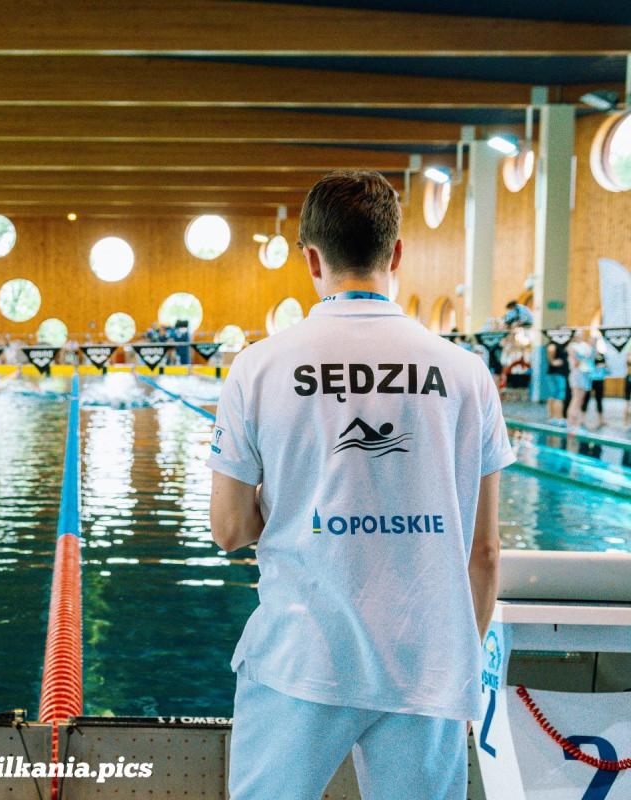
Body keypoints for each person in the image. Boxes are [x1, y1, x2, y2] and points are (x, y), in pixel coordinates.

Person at [207, 171, 512, 800]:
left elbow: (230, 529)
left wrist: (298, 505)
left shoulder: (258, 367)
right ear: (395, 253)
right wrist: (455, 658)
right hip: (426, 665)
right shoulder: (466, 374)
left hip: (299, 658)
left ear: (311, 259)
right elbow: (483, 552)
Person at [566, 336, 594, 431]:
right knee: (576, 399)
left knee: (580, 401)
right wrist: (582, 357)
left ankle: (576, 424)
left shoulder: (583, 347)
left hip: (584, 375)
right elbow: (576, 363)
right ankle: (571, 424)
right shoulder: (572, 347)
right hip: (577, 375)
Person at [545, 341, 568, 423]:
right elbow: (551, 349)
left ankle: (552, 417)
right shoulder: (555, 342)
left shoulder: (562, 343)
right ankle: (558, 417)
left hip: (555, 374)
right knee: (559, 396)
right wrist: (552, 362)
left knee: (553, 395)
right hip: (557, 374)